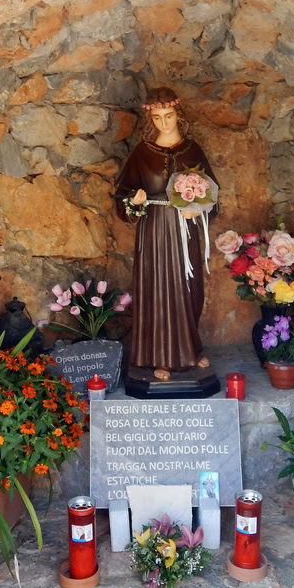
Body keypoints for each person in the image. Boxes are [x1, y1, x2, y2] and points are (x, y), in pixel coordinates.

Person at [115, 88, 219, 381]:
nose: (164, 123)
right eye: (158, 117)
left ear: (178, 116)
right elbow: (122, 196)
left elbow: (212, 195)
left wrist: (198, 210)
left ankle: (190, 350)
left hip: (185, 230)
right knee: (157, 288)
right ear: (150, 119)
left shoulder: (192, 150)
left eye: (169, 116)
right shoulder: (142, 152)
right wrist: (134, 201)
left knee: (189, 288)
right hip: (155, 229)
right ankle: (158, 357)